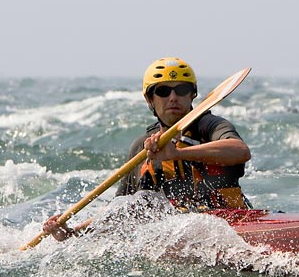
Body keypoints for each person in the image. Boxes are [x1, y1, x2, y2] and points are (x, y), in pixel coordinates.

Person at [43, 57, 252, 241]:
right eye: (162, 91)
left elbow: (240, 151)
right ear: (149, 99)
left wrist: (177, 153)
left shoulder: (210, 126)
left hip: (230, 221)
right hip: (179, 229)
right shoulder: (142, 148)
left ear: (192, 95)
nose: (173, 97)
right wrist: (73, 233)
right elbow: (119, 211)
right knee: (139, 202)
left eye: (181, 90)